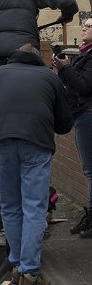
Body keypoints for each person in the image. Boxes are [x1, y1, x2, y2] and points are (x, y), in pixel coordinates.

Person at [0, 44, 72, 285]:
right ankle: (30, 272)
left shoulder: (1, 73)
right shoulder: (49, 77)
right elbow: (65, 123)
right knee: (34, 207)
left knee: (11, 206)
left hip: (2, 142)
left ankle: (16, 264)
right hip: (36, 144)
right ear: (38, 59)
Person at [53, 18, 92, 239]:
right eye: (84, 24)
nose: (84, 27)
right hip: (81, 114)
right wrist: (62, 69)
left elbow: (84, 86)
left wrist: (67, 67)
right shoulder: (85, 53)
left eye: (89, 25)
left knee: (90, 170)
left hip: (87, 115)